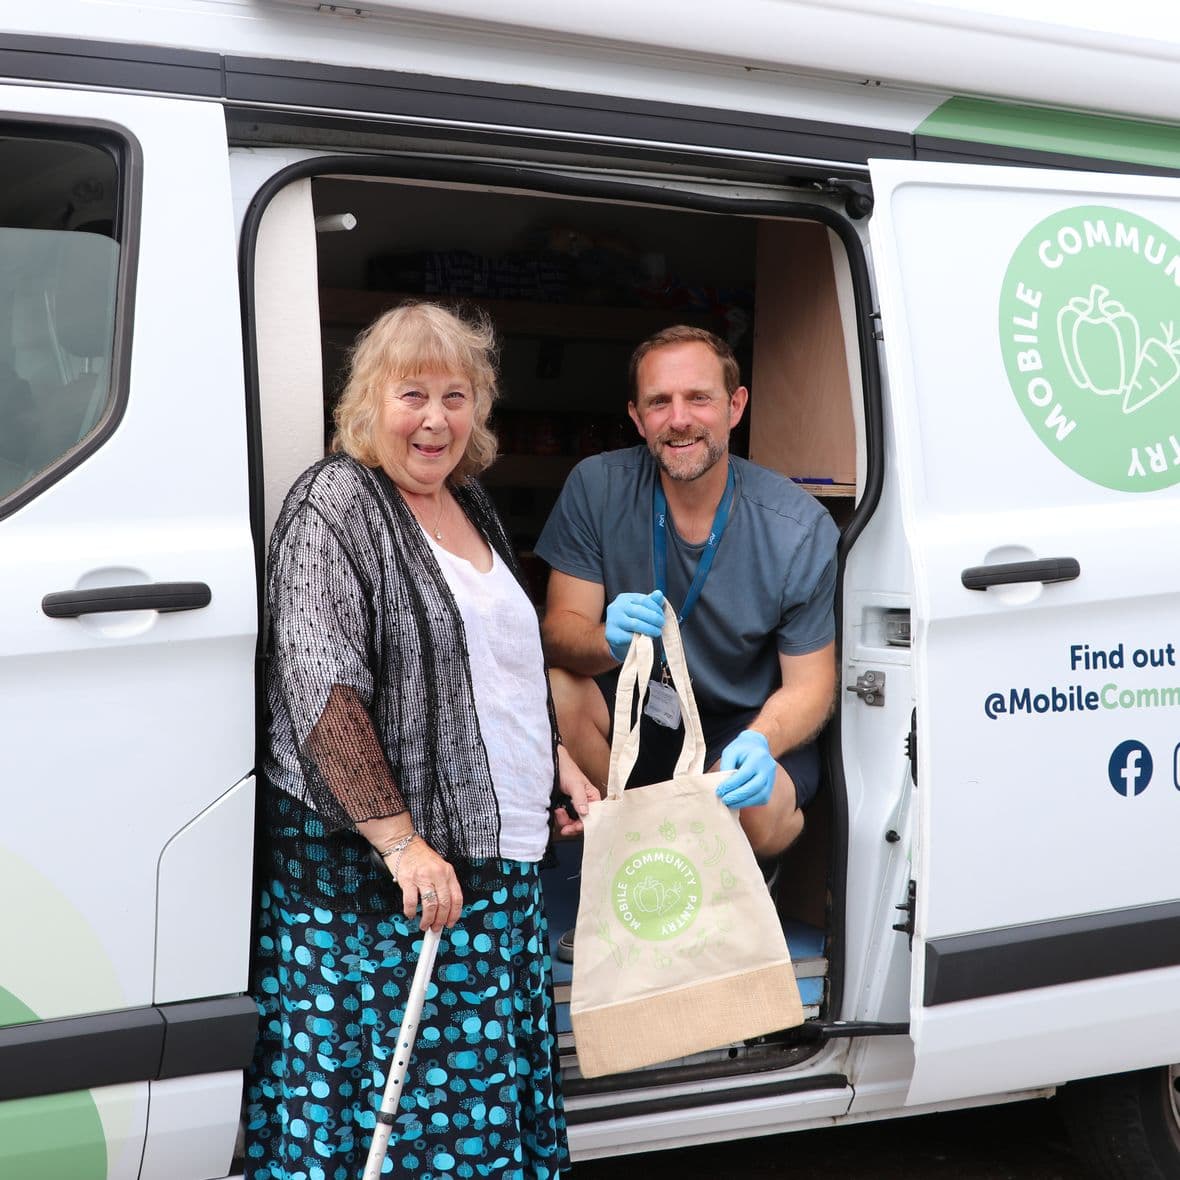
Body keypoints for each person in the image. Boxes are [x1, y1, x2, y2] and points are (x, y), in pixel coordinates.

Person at [244, 301, 594, 1180]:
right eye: (412, 394)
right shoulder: (335, 503)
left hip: (498, 862)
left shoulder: (467, 501)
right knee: (405, 1119)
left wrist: (558, 766)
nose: (435, 419)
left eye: (456, 395)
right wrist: (402, 844)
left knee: (482, 1105)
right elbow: (322, 692)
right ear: (369, 403)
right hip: (390, 885)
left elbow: (497, 669)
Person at [535, 325, 837, 860]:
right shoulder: (597, 486)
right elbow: (558, 635)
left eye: (699, 398)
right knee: (560, 689)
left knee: (752, 809)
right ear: (636, 417)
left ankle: (730, 875)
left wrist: (761, 742)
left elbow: (812, 686)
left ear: (735, 406)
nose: (679, 419)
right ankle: (632, 856)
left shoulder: (797, 525)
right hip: (638, 713)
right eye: (659, 402)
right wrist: (607, 640)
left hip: (741, 724)